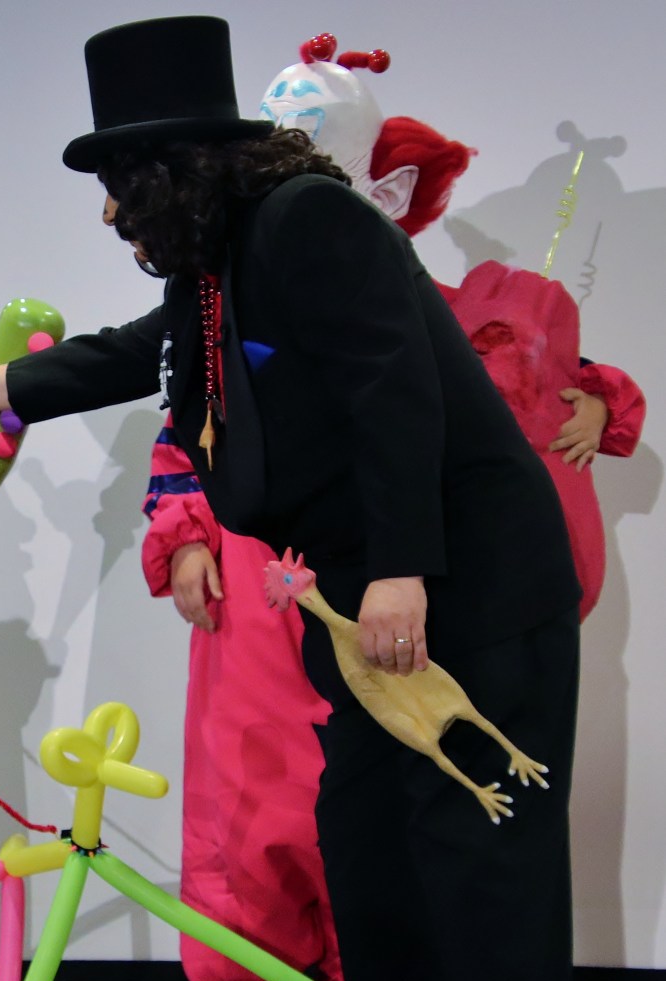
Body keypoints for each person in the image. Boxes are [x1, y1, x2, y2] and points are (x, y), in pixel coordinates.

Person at [0, 16, 584, 981]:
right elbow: (142, 351)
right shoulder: (222, 265)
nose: (110, 215)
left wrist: (403, 571)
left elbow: (395, 388)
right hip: (361, 589)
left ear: (176, 172)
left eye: (121, 187)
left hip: (463, 584)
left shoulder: (311, 220)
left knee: (478, 854)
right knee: (370, 848)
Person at [259, 37, 646, 622]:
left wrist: (594, 403)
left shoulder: (453, 313)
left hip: (470, 576)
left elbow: (537, 378)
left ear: (387, 195)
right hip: (323, 571)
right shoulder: (259, 313)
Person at [141, 411, 343, 981]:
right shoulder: (217, 366)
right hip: (250, 599)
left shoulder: (395, 346)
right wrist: (188, 535)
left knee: (368, 838)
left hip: (365, 574)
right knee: (242, 824)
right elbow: (185, 446)